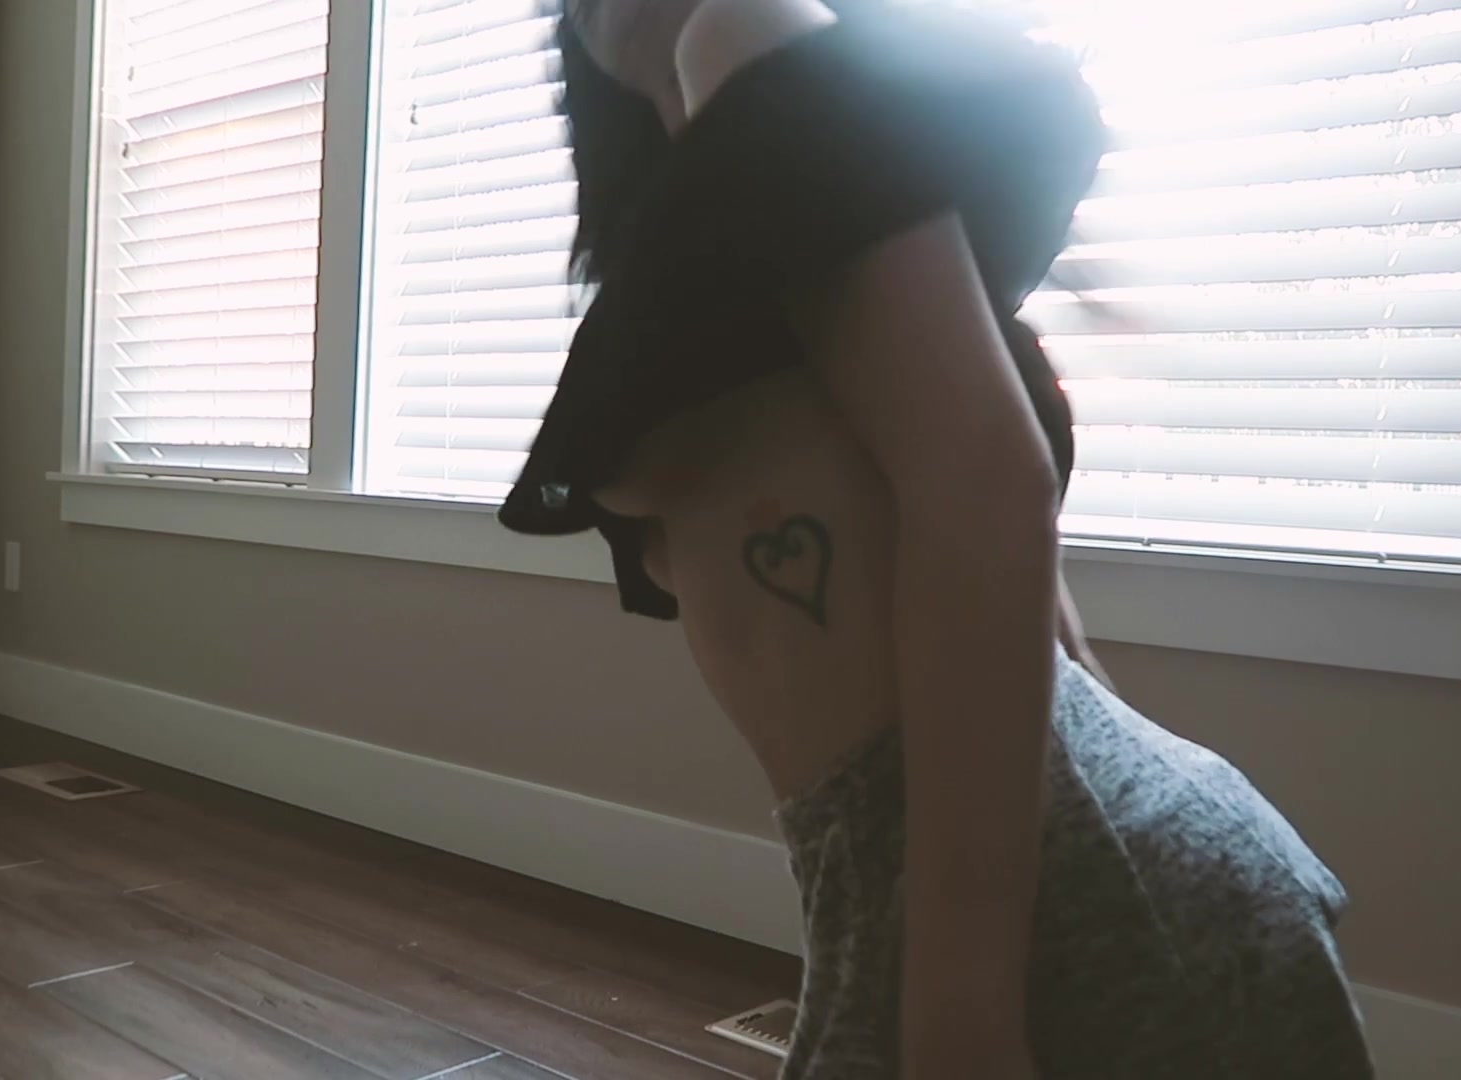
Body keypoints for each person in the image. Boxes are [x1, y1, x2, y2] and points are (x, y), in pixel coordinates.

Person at [501, 0, 1377, 1076]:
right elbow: (1000, 552)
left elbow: (988, 486)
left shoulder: (742, 26)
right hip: (1038, 872)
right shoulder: (723, 229)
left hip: (1077, 902)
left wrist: (961, 1001)